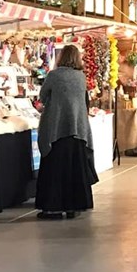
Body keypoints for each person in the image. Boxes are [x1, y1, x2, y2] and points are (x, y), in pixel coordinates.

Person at [36, 45, 97, 220]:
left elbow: (43, 96)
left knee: (55, 169)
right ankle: (74, 206)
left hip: (57, 128)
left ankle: (53, 207)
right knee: (74, 169)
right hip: (77, 129)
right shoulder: (80, 77)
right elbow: (85, 100)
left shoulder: (54, 76)